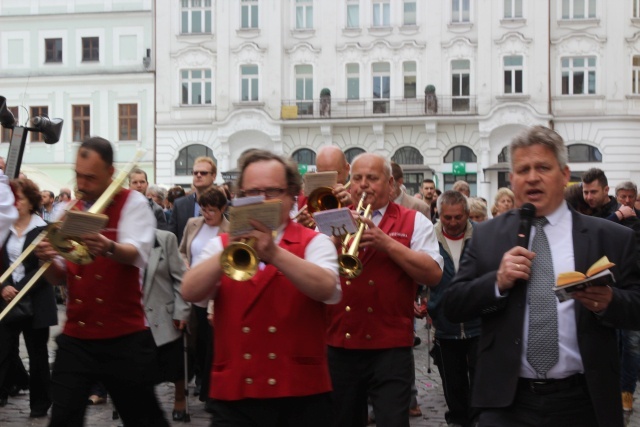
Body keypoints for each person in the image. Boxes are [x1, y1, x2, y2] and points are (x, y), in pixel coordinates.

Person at [444, 126, 640, 427]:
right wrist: (496, 282)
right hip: (506, 402)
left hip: (583, 400)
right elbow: (454, 304)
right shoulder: (486, 236)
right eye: (523, 169)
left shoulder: (611, 237)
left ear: (564, 175)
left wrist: (608, 301)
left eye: (543, 168)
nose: (532, 177)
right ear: (512, 179)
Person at [181, 150, 340, 426]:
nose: (262, 199)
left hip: (301, 394)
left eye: (272, 191)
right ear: (239, 197)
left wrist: (275, 254)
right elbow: (190, 291)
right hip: (235, 393)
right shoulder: (220, 245)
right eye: (252, 192)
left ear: (291, 195)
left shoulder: (314, 242)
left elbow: (327, 289)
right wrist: (230, 249)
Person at [34, 136, 168, 427]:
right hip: (78, 335)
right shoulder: (70, 210)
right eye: (78, 175)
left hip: (123, 335)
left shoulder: (133, 203)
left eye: (90, 177)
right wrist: (46, 259)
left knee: (144, 418)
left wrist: (107, 246)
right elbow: (61, 276)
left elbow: (138, 253)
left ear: (111, 172)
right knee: (63, 418)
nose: (82, 184)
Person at [326, 153, 443, 427]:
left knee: (393, 421)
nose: (363, 185)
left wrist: (387, 244)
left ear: (390, 184)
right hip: (341, 344)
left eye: (372, 178)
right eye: (357, 178)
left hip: (390, 347)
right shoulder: (332, 217)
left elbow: (434, 274)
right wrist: (332, 237)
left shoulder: (414, 221)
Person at [0, 178, 57, 418]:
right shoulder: (4, 228)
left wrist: (19, 288)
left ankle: (40, 404)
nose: (15, 202)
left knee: (38, 355)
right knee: (2, 351)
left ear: (31, 201)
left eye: (20, 198)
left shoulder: (42, 228)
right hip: (6, 298)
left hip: (36, 300)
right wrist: (3, 286)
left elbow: (45, 268)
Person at [428, 190, 478, 427]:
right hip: (445, 324)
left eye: (458, 217)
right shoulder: (429, 237)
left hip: (479, 324)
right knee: (453, 386)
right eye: (447, 217)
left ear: (467, 214)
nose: (453, 222)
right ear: (439, 214)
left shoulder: (481, 236)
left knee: (481, 384)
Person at [179, 187, 229, 403]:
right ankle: (198, 377)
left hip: (214, 293)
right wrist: (185, 265)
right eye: (204, 209)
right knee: (193, 342)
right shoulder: (193, 224)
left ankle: (209, 388)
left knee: (211, 343)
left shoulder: (230, 229)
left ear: (222, 209)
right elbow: (181, 251)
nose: (206, 214)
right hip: (193, 289)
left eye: (211, 210)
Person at [143, 229, 191, 421]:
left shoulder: (165, 239)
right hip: (132, 315)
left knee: (174, 362)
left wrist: (181, 311)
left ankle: (180, 398)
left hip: (164, 311)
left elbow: (181, 278)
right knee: (136, 368)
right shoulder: (117, 240)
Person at [296, 145, 351, 228]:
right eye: (322, 174)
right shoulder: (305, 199)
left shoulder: (356, 197)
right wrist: (302, 228)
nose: (328, 182)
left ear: (347, 169)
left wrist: (353, 203)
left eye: (334, 174)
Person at [168, 156, 217, 243]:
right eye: (195, 173)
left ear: (213, 176)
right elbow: (172, 237)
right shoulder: (180, 205)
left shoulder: (224, 205)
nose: (198, 175)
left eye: (203, 173)